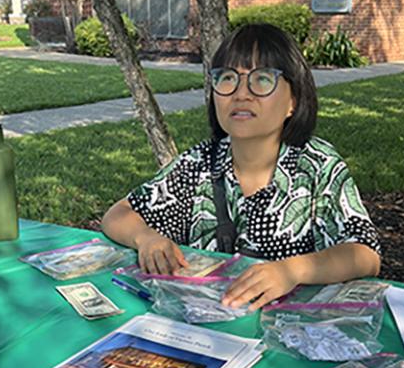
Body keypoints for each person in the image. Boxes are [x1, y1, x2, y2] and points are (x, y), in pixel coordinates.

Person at [102, 23, 380, 309]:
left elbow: (364, 255)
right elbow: (118, 214)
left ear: (293, 102)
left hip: (290, 333)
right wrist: (146, 238)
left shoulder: (318, 165)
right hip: (206, 326)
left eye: (261, 80)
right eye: (227, 78)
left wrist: (291, 271)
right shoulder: (198, 163)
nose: (241, 93)